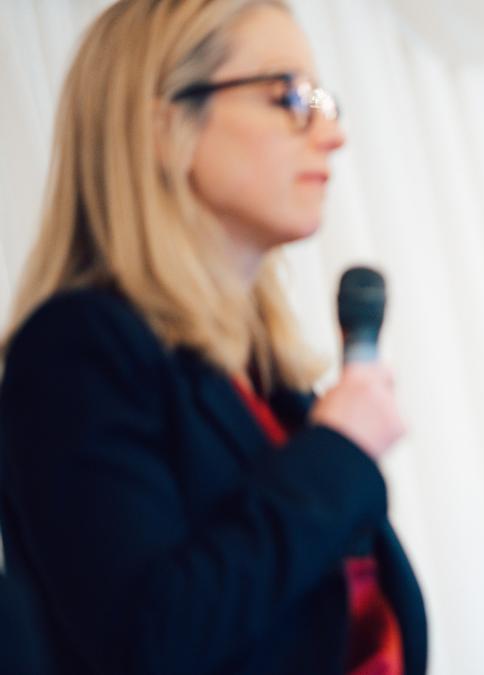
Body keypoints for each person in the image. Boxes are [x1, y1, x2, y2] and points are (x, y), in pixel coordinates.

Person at [0, 1, 425, 673]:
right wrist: (337, 453)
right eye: (288, 95)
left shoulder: (263, 378)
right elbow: (148, 638)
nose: (332, 134)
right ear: (165, 123)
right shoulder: (73, 353)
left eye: (323, 99)